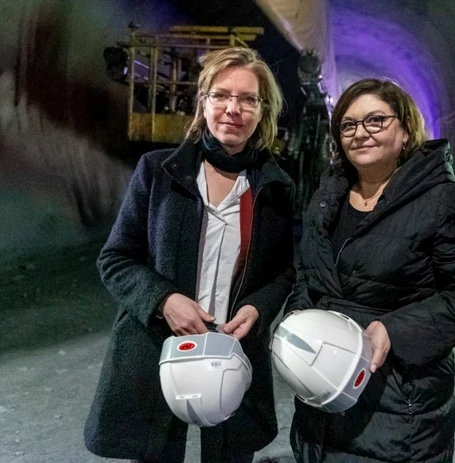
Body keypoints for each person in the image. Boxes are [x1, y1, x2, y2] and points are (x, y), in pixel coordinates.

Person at [84, 47, 295, 463]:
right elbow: (115, 258)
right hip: (157, 350)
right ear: (203, 103)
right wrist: (163, 300)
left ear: (262, 111)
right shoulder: (158, 171)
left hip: (234, 355)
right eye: (221, 95)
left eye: (248, 99)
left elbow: (284, 271)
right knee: (158, 451)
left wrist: (260, 307)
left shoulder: (275, 188)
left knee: (229, 453)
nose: (233, 109)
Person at [285, 78, 455, 462]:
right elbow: (309, 274)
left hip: (396, 404)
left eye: (375, 121)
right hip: (322, 390)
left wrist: (393, 330)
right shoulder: (326, 196)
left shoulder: (440, 200)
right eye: (348, 125)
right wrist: (297, 316)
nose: (360, 133)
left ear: (405, 129)